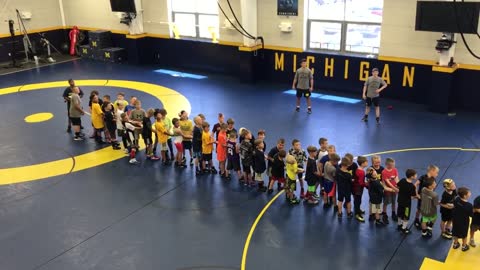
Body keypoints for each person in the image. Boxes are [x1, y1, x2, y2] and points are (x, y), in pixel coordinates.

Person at [414, 165, 440, 229]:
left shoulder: (433, 179)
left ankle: (424, 221)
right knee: (419, 209)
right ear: (431, 171)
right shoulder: (423, 177)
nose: (437, 174)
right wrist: (416, 194)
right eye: (436, 172)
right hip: (422, 197)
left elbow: (432, 189)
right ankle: (416, 219)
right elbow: (415, 184)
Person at [396, 169, 419, 234]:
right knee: (406, 216)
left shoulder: (403, 180)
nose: (416, 175)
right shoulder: (412, 186)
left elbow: (397, 186)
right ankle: (404, 228)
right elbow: (413, 196)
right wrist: (417, 196)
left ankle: (399, 225)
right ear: (412, 177)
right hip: (407, 204)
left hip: (400, 201)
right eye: (415, 175)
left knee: (400, 214)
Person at [452, 187, 473, 251]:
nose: (470, 193)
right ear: (465, 196)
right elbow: (471, 215)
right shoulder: (469, 205)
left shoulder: (457, 199)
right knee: (464, 235)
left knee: (455, 232)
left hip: (455, 220)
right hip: (464, 223)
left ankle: (455, 244)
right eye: (469, 192)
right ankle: (464, 246)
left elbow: (454, 205)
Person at [381, 158, 400, 223]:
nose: (393, 166)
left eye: (393, 165)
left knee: (394, 202)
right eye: (392, 165)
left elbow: (396, 179)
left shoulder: (395, 170)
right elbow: (387, 182)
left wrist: (399, 186)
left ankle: (393, 213)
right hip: (388, 190)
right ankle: (384, 214)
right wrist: (395, 189)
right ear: (387, 165)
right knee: (386, 203)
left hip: (394, 189)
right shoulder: (384, 172)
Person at [353, 156, 368, 222]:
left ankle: (358, 210)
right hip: (358, 189)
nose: (367, 163)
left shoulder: (358, 169)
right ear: (362, 164)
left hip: (356, 188)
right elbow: (361, 183)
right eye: (366, 162)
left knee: (357, 201)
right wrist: (367, 185)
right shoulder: (361, 172)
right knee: (358, 201)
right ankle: (357, 214)